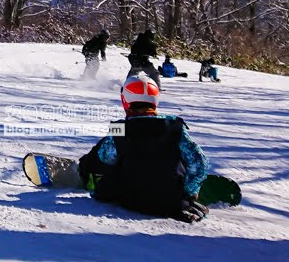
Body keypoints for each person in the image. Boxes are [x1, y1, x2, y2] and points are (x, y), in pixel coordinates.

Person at [78, 73, 211, 222]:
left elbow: (104, 157)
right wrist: (189, 191)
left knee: (106, 150)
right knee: (179, 156)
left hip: (128, 200)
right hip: (170, 203)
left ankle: (83, 170)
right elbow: (200, 163)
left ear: (126, 100)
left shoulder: (119, 127)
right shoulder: (175, 127)